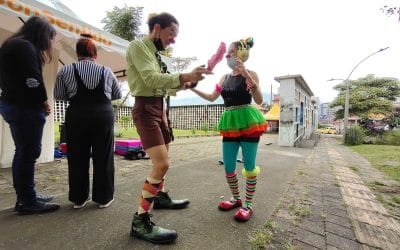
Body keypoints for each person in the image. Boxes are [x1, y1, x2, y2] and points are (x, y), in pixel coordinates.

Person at [126, 12, 211, 244]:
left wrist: (190, 81)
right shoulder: (138, 47)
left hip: (159, 108)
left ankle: (160, 197)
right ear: (157, 28)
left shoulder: (156, 54)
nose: (173, 39)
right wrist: (183, 75)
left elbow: (167, 87)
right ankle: (140, 221)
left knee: (164, 160)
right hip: (145, 108)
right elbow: (151, 79)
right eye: (171, 33)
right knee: (161, 164)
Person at [190, 37, 267, 222]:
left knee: (249, 167)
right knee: (229, 166)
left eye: (231, 52)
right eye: (227, 52)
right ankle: (236, 198)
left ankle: (248, 205)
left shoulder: (252, 74)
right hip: (230, 122)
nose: (227, 55)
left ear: (241, 53)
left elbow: (259, 100)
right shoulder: (224, 78)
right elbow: (211, 97)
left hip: (249, 122)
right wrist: (192, 89)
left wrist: (246, 74)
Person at [0, 16, 60, 215]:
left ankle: (27, 197)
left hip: (13, 104)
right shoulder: (25, 47)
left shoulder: (13, 44)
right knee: (27, 153)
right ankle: (27, 201)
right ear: (42, 33)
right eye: (50, 38)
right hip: (24, 108)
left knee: (24, 152)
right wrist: (43, 102)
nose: (50, 43)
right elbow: (32, 79)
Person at [54, 34, 121, 209]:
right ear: (95, 53)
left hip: (77, 116)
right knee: (103, 157)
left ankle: (79, 198)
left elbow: (59, 95)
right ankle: (104, 198)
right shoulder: (106, 71)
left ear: (77, 53)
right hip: (103, 116)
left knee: (76, 157)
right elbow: (117, 94)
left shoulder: (66, 70)